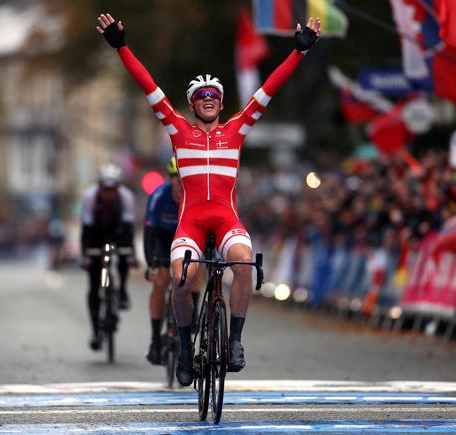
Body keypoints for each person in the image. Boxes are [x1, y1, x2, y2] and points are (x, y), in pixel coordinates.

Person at [96, 12, 321, 385]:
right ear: (192, 104)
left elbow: (269, 89)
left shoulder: (237, 128)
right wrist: (122, 48)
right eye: (201, 96)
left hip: (226, 218)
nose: (209, 100)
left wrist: (299, 53)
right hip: (192, 222)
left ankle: (234, 343)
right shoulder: (178, 130)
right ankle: (185, 349)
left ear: (221, 102)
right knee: (182, 280)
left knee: (244, 263)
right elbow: (148, 86)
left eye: (214, 95)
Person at [143, 156, 200, 365]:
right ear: (170, 179)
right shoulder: (159, 195)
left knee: (198, 265)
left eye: (185, 180)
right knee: (160, 281)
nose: (180, 184)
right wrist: (151, 265)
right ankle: (156, 339)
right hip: (161, 239)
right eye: (177, 179)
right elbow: (148, 233)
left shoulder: (196, 197)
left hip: (187, 238)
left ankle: (193, 307)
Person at [79, 163, 138, 351]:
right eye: (105, 189)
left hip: (118, 232)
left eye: (112, 189)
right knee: (94, 285)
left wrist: (131, 254)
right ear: (99, 186)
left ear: (118, 187)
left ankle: (121, 292)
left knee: (124, 256)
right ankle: (96, 331)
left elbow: (129, 230)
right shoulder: (89, 197)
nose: (108, 193)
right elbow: (86, 231)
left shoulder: (126, 197)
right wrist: (85, 256)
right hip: (95, 233)